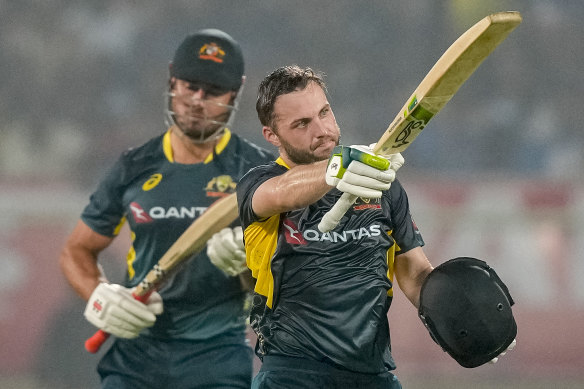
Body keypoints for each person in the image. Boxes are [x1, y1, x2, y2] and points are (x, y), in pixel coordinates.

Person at [235, 65, 512, 389]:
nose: (322, 130)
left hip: (373, 376)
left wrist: (471, 318)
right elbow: (285, 191)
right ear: (272, 135)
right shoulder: (259, 184)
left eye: (324, 112)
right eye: (302, 124)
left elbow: (415, 274)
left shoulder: (381, 185)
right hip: (291, 375)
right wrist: (337, 168)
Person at [59, 28, 275, 389]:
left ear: (234, 94)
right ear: (172, 82)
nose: (197, 100)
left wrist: (253, 265)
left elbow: (290, 278)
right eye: (190, 86)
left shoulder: (259, 173)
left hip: (217, 357)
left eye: (213, 92)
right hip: (134, 354)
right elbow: (77, 250)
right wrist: (99, 294)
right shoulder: (134, 166)